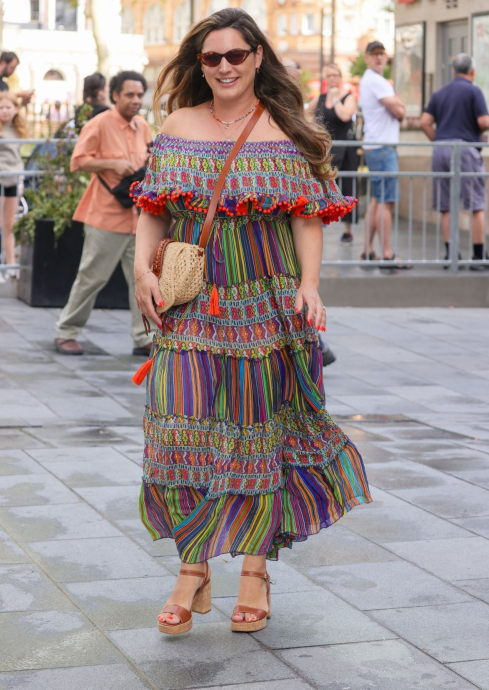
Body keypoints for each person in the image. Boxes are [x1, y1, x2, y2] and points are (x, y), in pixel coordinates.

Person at [132, 7, 372, 635]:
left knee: (254, 438)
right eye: (212, 58)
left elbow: (306, 217)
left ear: (258, 57)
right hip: (189, 307)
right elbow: (152, 208)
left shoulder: (285, 130)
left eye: (236, 55)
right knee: (178, 433)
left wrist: (311, 286)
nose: (225, 67)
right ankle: (193, 567)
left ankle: (254, 573)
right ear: (199, 64)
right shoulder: (178, 123)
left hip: (265, 307)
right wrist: (141, 271)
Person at [54, 71, 153, 356]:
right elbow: (78, 161)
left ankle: (144, 337)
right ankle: (66, 331)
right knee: (92, 277)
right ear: (115, 95)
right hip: (105, 216)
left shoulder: (142, 126)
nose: (136, 100)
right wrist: (113, 163)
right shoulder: (99, 124)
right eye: (130, 95)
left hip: (138, 216)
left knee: (142, 279)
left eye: (139, 95)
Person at [419, 53, 489, 271]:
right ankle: (478, 257)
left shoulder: (440, 93)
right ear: (472, 72)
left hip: (441, 149)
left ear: (453, 71)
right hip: (465, 150)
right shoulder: (474, 91)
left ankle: (451, 254)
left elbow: (424, 122)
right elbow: (484, 121)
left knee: (445, 205)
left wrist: (439, 140)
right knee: (476, 204)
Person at [359, 41, 409, 268]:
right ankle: (387, 253)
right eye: (374, 54)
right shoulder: (377, 81)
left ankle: (368, 250)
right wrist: (399, 102)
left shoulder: (372, 80)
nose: (379, 57)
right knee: (386, 202)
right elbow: (399, 111)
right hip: (382, 148)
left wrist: (396, 100)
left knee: (378, 200)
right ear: (367, 57)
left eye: (382, 53)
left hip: (375, 146)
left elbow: (396, 107)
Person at [308, 63, 359, 243]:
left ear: (340, 78)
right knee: (321, 186)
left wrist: (336, 99)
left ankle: (347, 229)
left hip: (346, 150)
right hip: (326, 151)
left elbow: (345, 116)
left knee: (348, 188)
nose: (332, 79)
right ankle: (319, 221)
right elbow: (304, 114)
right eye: (329, 75)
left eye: (335, 75)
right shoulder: (320, 98)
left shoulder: (348, 97)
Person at [0, 93, 26, 282]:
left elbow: (18, 155)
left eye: (8, 107)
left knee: (9, 224)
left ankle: (11, 265)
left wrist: (19, 179)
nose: (4, 111)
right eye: (1, 108)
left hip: (12, 179)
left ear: (15, 110)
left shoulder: (18, 130)